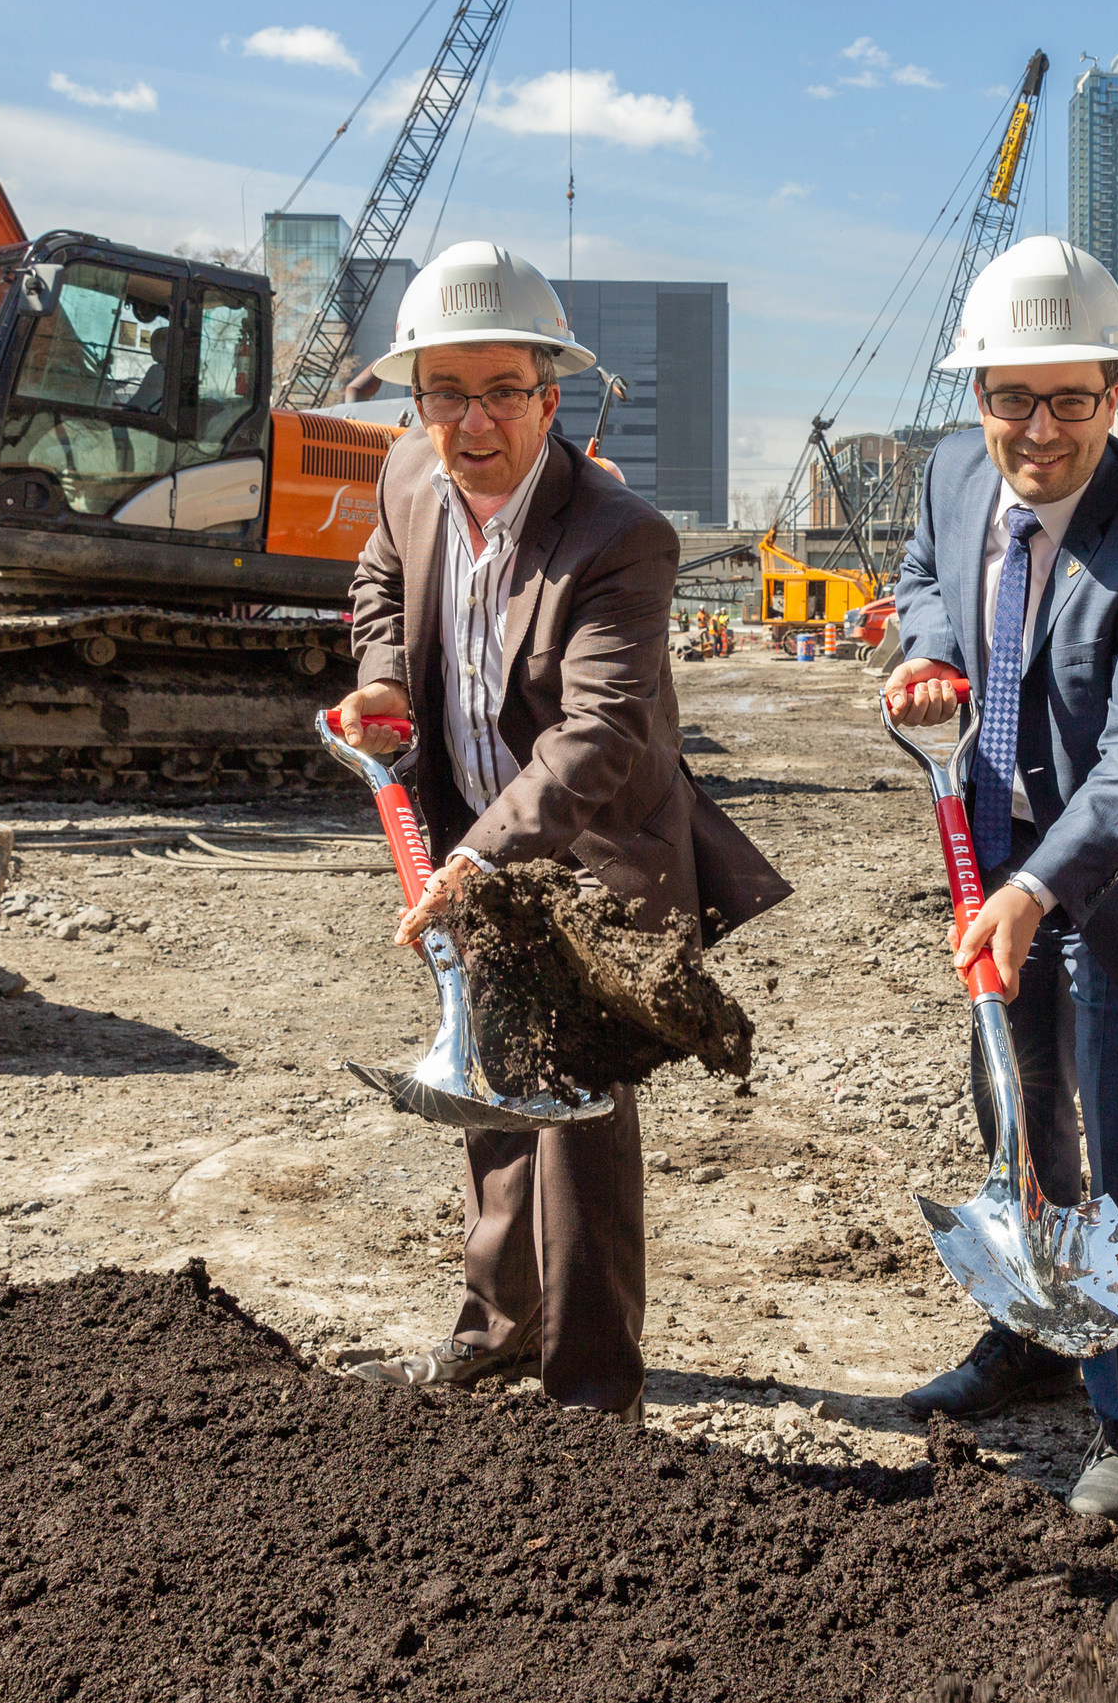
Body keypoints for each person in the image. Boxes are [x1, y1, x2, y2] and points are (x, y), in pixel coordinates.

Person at [331, 241, 787, 1415]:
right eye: (446, 391)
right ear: (416, 395)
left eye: (500, 393)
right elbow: (380, 581)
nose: (472, 422)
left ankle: (592, 1390)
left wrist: (480, 862)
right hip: (465, 836)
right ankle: (496, 1334)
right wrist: (383, 679)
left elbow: (599, 738)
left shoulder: (618, 536)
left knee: (575, 1113)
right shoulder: (406, 479)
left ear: (551, 395)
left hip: (588, 853)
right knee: (484, 1077)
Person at [884, 235, 1118, 1520]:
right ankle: (1034, 1340)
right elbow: (926, 583)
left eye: (1073, 401)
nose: (1039, 430)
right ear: (975, 391)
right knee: (1018, 1104)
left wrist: (1042, 888)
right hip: (990, 850)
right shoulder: (947, 474)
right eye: (1011, 398)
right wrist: (930, 653)